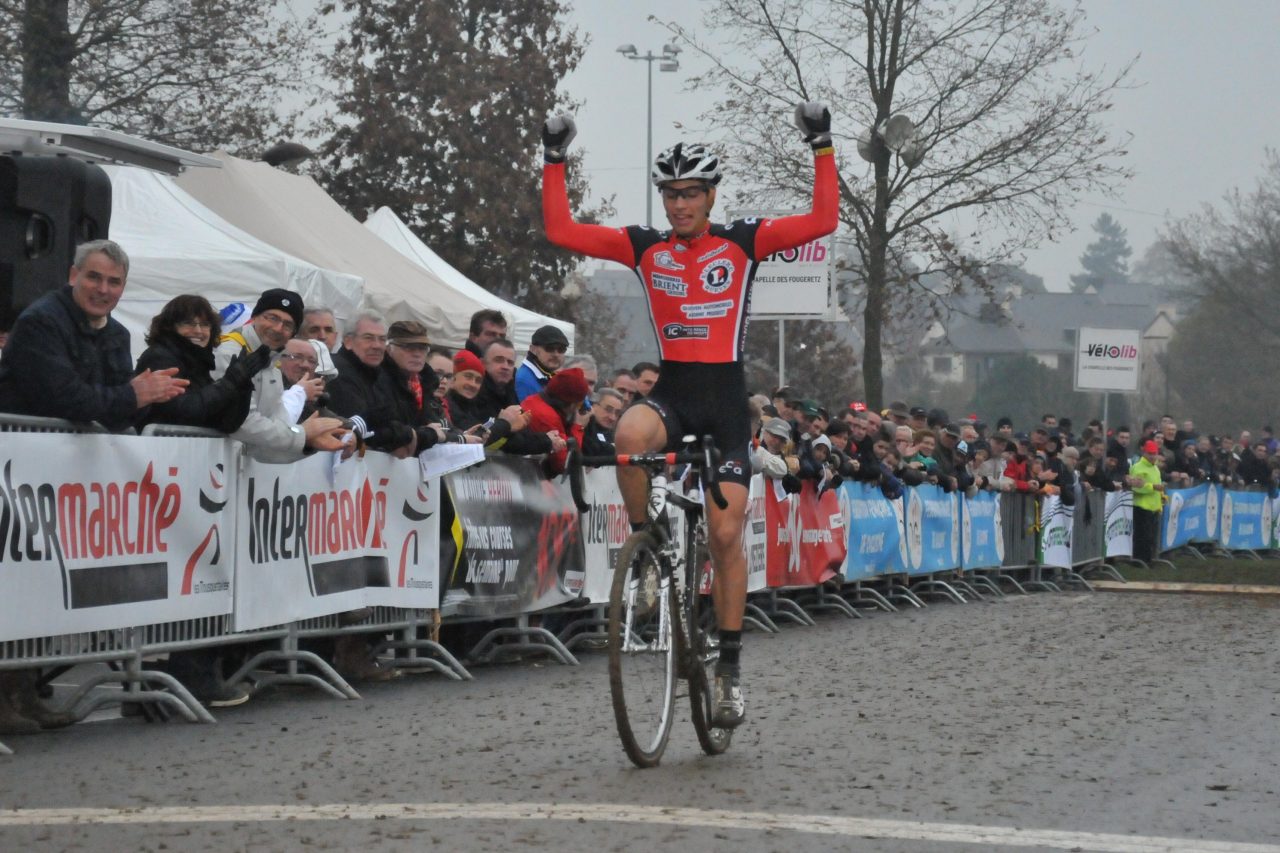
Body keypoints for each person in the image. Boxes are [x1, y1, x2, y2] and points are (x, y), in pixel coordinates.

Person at [542, 100, 837, 727]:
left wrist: (822, 146)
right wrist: (554, 158)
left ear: (710, 195)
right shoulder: (646, 248)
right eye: (670, 194)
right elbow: (563, 232)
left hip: (726, 402)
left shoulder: (743, 242)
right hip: (674, 392)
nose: (679, 204)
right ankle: (645, 541)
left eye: (691, 193)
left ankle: (729, 669)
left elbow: (822, 218)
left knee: (727, 536)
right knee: (628, 431)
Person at [0, 239, 188, 430]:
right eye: (94, 277)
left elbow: (117, 412)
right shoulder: (41, 322)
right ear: (74, 275)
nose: (103, 289)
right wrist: (133, 395)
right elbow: (64, 398)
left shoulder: (119, 334)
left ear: (123, 287)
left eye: (114, 281)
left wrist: (151, 396)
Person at [213, 289, 348, 460]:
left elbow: (275, 434)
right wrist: (301, 434)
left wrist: (309, 442)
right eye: (272, 318)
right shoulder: (230, 352)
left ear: (293, 333)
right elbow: (243, 424)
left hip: (241, 474)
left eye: (287, 324)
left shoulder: (272, 365)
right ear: (255, 317)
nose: (278, 328)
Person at [133, 294, 271, 433]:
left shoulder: (200, 362)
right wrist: (230, 381)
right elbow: (184, 411)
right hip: (155, 451)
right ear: (170, 327)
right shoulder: (160, 357)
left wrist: (242, 387)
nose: (198, 330)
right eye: (188, 323)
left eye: (205, 324)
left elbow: (227, 424)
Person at [520, 367, 590, 475]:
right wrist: (578, 427)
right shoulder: (547, 417)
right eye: (579, 404)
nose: (578, 409)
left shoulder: (534, 400)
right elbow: (564, 464)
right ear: (569, 402)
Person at [1127, 440, 1165, 563]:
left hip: (1153, 507)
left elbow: (1157, 485)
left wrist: (1161, 495)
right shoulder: (1138, 468)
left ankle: (1149, 559)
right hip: (1141, 507)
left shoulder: (1155, 468)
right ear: (1145, 453)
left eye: (1155, 453)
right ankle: (1140, 561)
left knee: (1151, 536)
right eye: (1150, 454)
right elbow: (1136, 487)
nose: (1153, 456)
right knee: (1142, 536)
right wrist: (1153, 487)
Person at [515, 324, 569, 401]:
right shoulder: (524, 380)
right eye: (549, 348)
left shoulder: (549, 375)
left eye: (561, 349)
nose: (556, 354)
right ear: (533, 349)